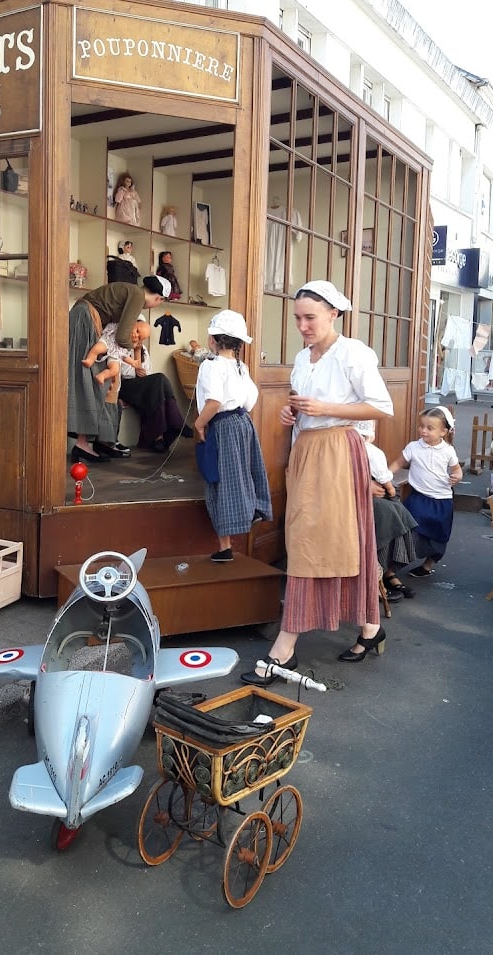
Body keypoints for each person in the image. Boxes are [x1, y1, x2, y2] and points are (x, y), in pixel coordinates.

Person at [241, 280, 394, 685]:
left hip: (339, 453)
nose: (303, 325)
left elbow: (381, 406)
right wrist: (294, 415)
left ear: (333, 315)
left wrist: (325, 408)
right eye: (298, 318)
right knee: (328, 539)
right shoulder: (302, 357)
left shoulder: (353, 353)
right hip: (308, 450)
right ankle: (370, 628)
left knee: (318, 541)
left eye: (310, 317)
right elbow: (302, 401)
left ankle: (284, 649)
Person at [194, 309, 272, 563]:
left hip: (221, 425)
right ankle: (252, 511)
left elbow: (213, 401)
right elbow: (251, 399)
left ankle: (225, 545)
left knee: (219, 480)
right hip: (243, 423)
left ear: (214, 340)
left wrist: (198, 424)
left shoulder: (210, 365)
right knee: (245, 473)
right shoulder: (241, 366)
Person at [68, 276, 170, 464]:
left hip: (86, 318)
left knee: (96, 379)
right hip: (86, 319)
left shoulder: (131, 291)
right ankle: (82, 444)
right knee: (89, 379)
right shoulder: (137, 296)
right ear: (159, 299)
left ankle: (88, 443)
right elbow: (123, 336)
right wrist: (132, 354)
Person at [388, 406, 462, 577]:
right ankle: (393, 569)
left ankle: (428, 565)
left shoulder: (448, 451)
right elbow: (398, 463)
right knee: (409, 532)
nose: (423, 430)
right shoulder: (414, 447)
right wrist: (383, 476)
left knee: (438, 535)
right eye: (422, 426)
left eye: (430, 428)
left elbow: (457, 469)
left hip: (442, 500)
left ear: (443, 432)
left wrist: (457, 476)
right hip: (418, 498)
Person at [106, 319, 193, 451]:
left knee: (159, 384)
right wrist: (135, 354)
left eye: (142, 338)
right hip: (123, 386)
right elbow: (127, 373)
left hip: (137, 386)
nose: (139, 339)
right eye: (138, 333)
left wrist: (139, 352)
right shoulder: (120, 345)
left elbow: (146, 372)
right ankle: (176, 424)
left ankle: (159, 439)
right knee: (159, 380)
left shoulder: (143, 349)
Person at [355, 420, 418, 602]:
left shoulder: (370, 451)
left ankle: (388, 572)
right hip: (350, 498)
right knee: (389, 514)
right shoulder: (343, 444)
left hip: (369, 491)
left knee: (399, 512)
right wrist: (367, 485)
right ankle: (376, 576)